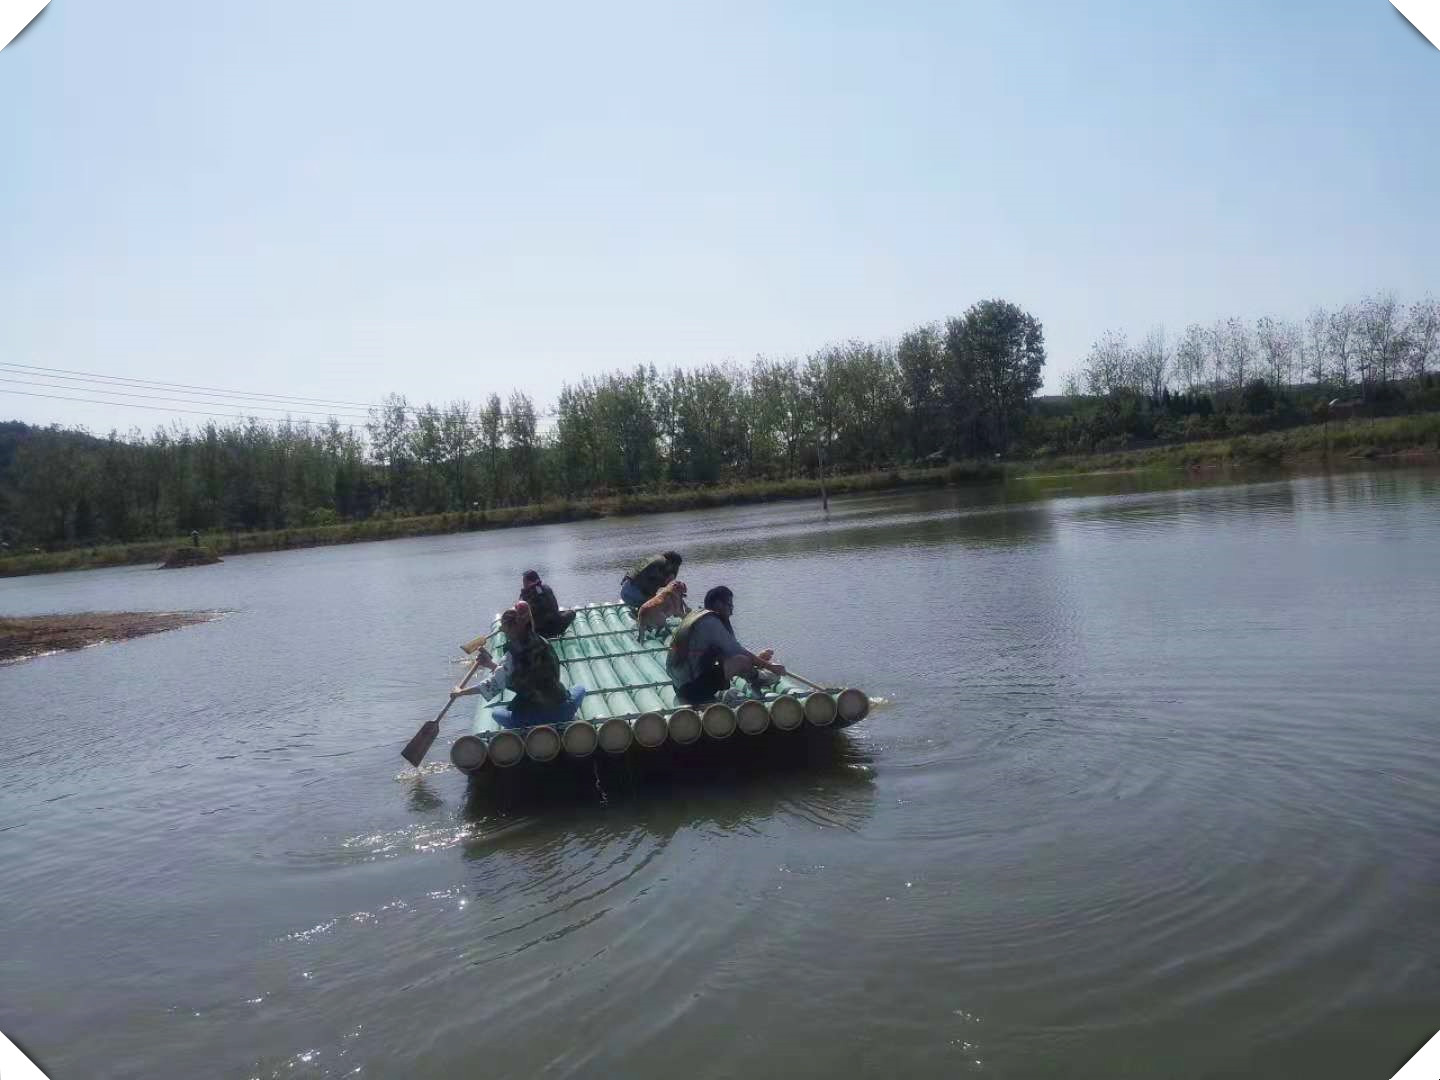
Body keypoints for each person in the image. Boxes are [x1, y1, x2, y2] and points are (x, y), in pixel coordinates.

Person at [451, 602, 586, 728]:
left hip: (537, 717)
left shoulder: (512, 655)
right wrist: (490, 664)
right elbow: (521, 673)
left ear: (508, 629)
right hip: (563, 709)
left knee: (496, 713)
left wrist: (461, 692)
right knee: (580, 688)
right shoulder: (544, 642)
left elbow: (492, 685)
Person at [666, 586, 786, 704]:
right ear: (718, 604)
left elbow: (725, 653)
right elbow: (737, 652)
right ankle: (759, 679)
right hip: (692, 689)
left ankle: (754, 673)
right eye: (729, 605)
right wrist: (770, 666)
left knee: (737, 659)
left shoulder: (698, 616)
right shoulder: (711, 623)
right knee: (741, 660)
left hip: (679, 686)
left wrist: (757, 659)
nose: (732, 611)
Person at [519, 569, 576, 638]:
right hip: (556, 626)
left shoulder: (527, 595)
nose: (523, 583)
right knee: (572, 613)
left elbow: (523, 614)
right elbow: (554, 608)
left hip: (539, 630)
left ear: (529, 582)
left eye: (524, 581)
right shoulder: (546, 588)